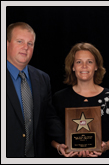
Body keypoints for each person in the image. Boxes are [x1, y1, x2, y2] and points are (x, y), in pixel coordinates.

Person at [51, 42, 109, 157]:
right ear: (73, 67)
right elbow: (50, 136)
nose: (84, 66)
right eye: (79, 62)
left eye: (89, 62)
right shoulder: (59, 98)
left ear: (96, 66)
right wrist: (60, 147)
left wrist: (105, 146)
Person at [7, 22, 64, 157]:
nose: (25, 47)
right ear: (7, 43)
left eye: (30, 43)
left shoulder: (43, 78)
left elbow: (49, 117)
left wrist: (69, 142)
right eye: (20, 41)